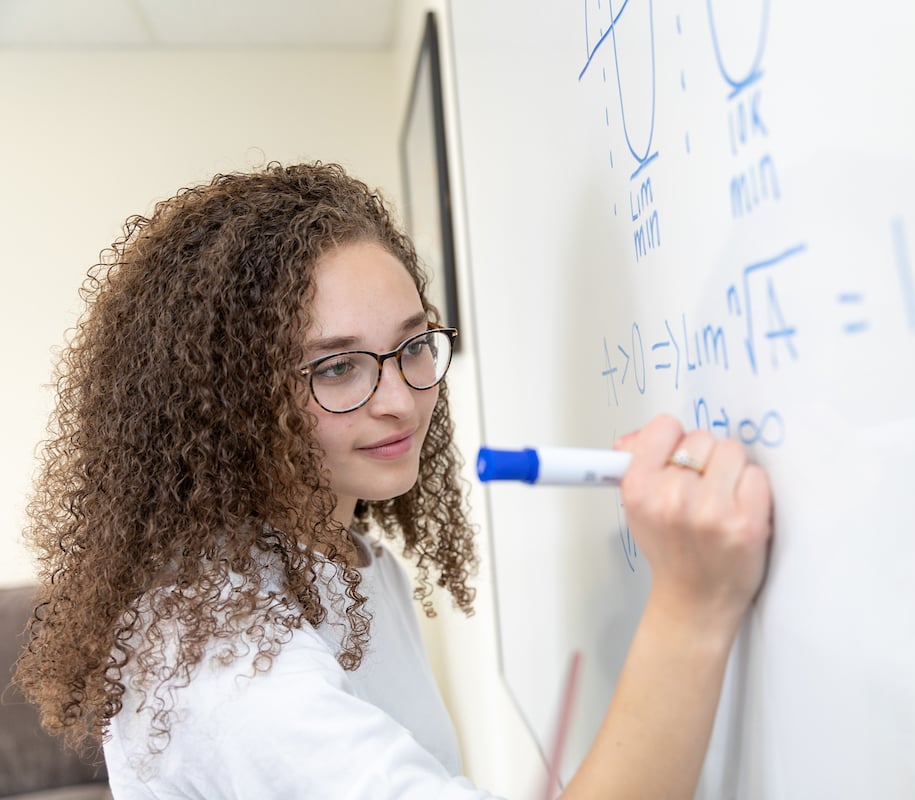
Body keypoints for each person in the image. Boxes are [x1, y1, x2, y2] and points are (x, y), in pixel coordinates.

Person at [15, 162, 773, 799]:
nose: (402, 399)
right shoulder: (219, 663)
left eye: (414, 345)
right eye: (338, 367)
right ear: (230, 401)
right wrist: (692, 604)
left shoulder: (350, 558)